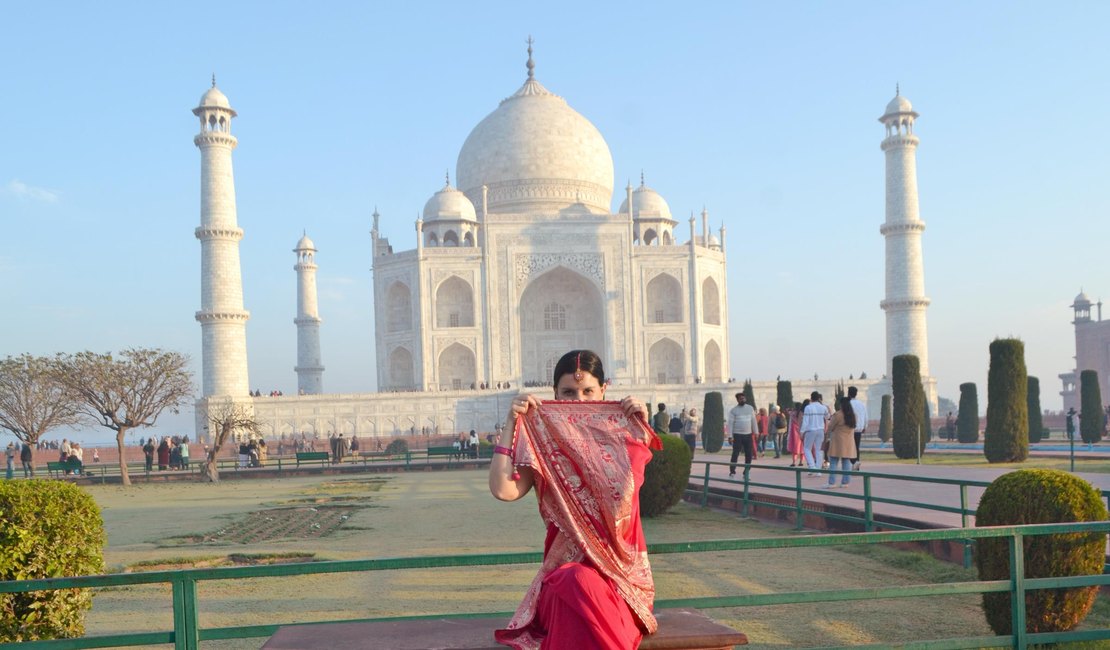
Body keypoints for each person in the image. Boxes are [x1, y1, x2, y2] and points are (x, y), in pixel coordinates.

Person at [489, 349, 657, 648]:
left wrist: (638, 426)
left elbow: (627, 495)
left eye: (587, 391)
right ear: (554, 393)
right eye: (568, 392)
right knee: (574, 581)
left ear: (604, 391)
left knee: (579, 588)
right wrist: (512, 425)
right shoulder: (542, 440)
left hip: (620, 585)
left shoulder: (623, 437)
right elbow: (504, 490)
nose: (577, 401)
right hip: (562, 582)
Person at [823, 396, 858, 489]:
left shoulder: (838, 415)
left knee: (833, 462)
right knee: (846, 462)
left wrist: (827, 436)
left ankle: (831, 483)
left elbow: (830, 427)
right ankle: (845, 482)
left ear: (841, 404)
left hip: (837, 441)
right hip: (849, 442)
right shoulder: (853, 415)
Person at [727, 392, 757, 477]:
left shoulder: (750, 408)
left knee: (749, 454)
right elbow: (730, 424)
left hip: (748, 434)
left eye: (743, 398)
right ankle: (732, 471)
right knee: (735, 453)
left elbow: (753, 421)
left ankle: (746, 472)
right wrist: (730, 436)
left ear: (745, 399)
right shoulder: (734, 410)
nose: (742, 400)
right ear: (737, 400)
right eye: (740, 399)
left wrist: (756, 432)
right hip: (737, 435)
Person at [801, 392, 830, 476]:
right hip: (820, 430)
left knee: (807, 448)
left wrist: (802, 432)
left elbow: (805, 421)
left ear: (811, 398)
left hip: (810, 430)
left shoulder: (808, 407)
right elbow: (828, 417)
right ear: (818, 398)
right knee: (819, 450)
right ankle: (818, 470)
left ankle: (812, 466)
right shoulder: (823, 407)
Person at [848, 386, 868, 471]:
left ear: (848, 393)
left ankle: (853, 462)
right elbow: (866, 416)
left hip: (850, 429)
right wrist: (864, 426)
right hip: (859, 429)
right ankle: (856, 463)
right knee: (856, 447)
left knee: (850, 447)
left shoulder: (848, 404)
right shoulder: (861, 404)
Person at [787, 402, 805, 467]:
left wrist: (789, 410)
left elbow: (788, 412)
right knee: (802, 447)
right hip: (801, 431)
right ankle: (801, 461)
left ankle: (794, 462)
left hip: (794, 432)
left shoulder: (792, 413)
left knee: (795, 447)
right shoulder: (802, 413)